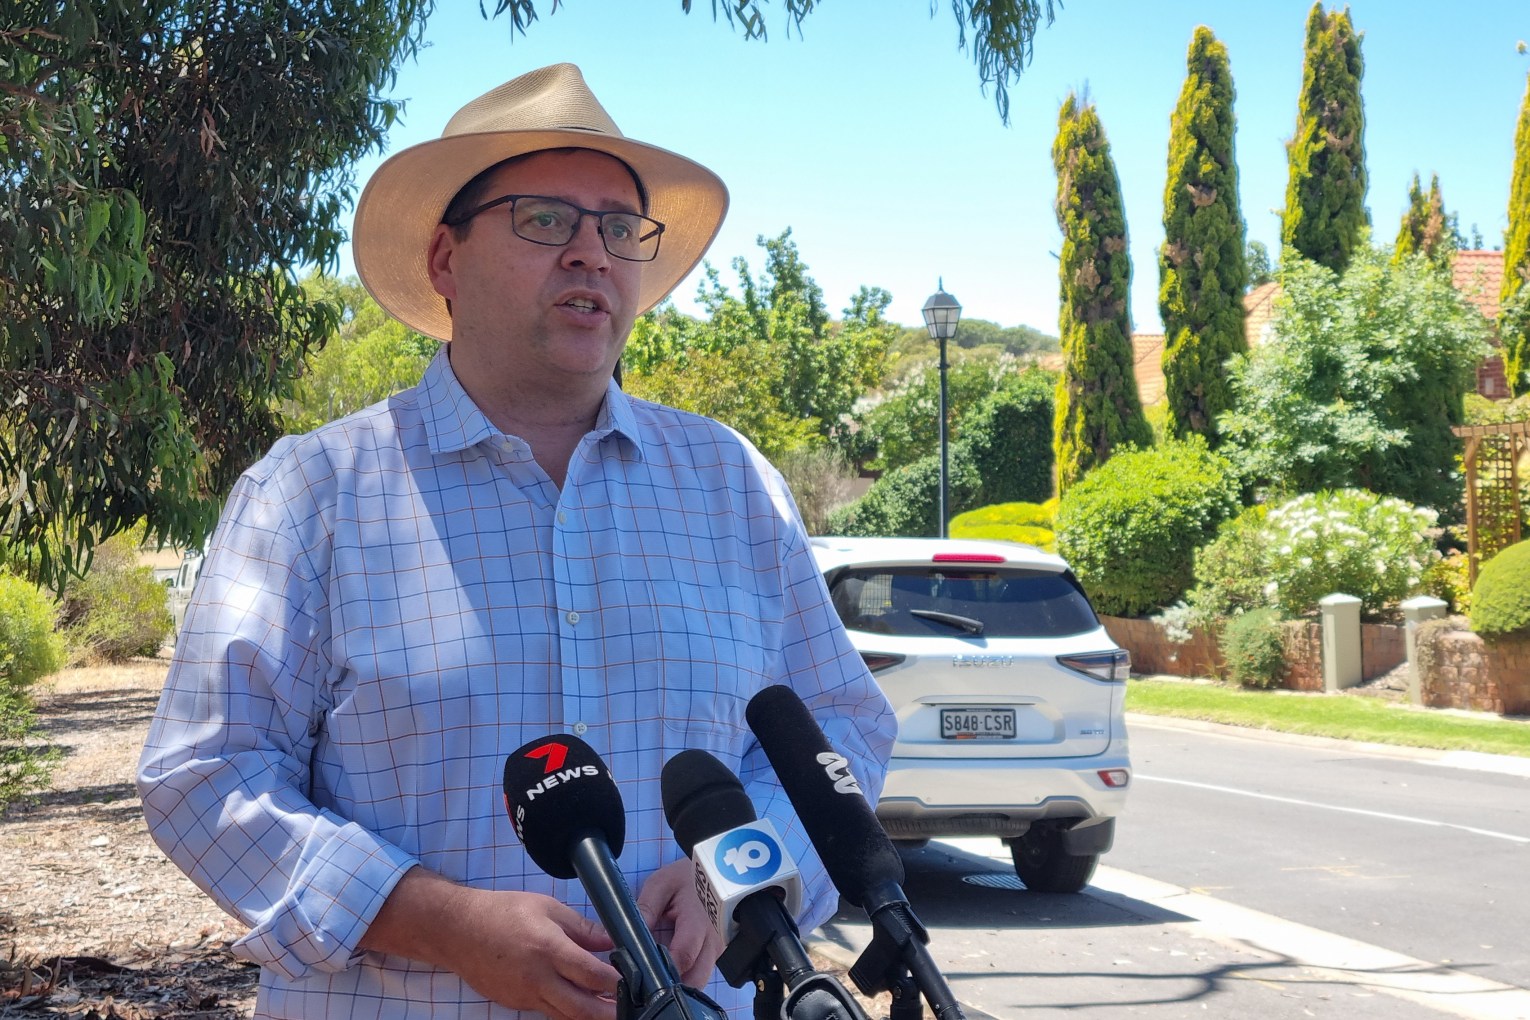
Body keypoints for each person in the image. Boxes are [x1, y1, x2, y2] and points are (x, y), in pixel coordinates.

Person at [137, 63, 895, 1020]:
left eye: (621, 229)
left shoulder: (731, 483)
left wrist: (733, 873)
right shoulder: (310, 494)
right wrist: (439, 923)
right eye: (546, 220)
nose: (593, 254)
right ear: (445, 262)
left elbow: (840, 735)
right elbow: (206, 775)